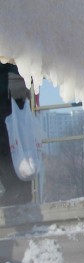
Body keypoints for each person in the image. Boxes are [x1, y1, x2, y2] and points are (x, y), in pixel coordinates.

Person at [0, 62, 33, 206]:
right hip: (15, 83)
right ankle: (19, 190)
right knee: (16, 138)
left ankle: (17, 190)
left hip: (9, 86)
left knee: (8, 141)